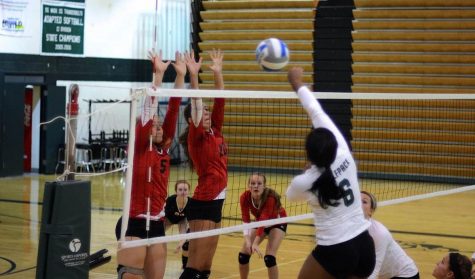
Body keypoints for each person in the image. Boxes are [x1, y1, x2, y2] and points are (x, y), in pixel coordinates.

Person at [285, 67, 375, 279]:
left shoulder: (305, 181)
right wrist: (297, 84)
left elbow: (290, 196)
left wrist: (308, 171)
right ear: (334, 143)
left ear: (309, 155)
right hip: (364, 246)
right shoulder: (344, 154)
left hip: (336, 250)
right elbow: (317, 112)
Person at [115, 49, 186, 279]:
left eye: (159, 125)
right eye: (153, 125)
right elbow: (148, 110)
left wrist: (180, 77)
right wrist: (157, 76)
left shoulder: (163, 149)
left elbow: (174, 109)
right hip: (135, 221)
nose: (158, 127)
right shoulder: (138, 147)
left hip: (157, 224)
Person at [179, 49, 226, 279]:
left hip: (217, 202)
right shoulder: (196, 137)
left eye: (208, 110)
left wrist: (218, 72)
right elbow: (197, 103)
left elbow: (220, 99)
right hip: (204, 202)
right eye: (202, 111)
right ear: (192, 120)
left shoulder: (215, 130)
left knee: (206, 266)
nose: (206, 112)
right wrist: (194, 76)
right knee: (195, 266)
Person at [238, 172, 287, 279]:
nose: (256, 186)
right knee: (243, 256)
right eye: (253, 183)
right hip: (260, 221)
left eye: (259, 183)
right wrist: (247, 240)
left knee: (269, 258)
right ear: (249, 185)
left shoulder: (270, 198)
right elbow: (246, 219)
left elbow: (264, 220)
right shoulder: (244, 197)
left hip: (277, 222)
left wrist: (255, 243)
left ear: (264, 186)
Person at [360, 191, 419, 279]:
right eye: (357, 201)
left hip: (406, 275)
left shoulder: (379, 233)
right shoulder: (346, 229)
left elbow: (374, 271)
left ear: (371, 211)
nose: (359, 204)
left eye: (364, 202)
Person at [164, 179, 192, 269]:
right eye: (180, 190)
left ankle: (185, 266)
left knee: (186, 244)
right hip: (168, 219)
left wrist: (182, 241)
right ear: (176, 191)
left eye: (185, 190)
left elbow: (189, 223)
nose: (183, 192)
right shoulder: (170, 201)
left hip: (182, 221)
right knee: (156, 234)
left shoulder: (191, 203)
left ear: (189, 191)